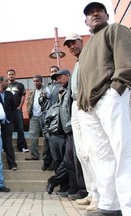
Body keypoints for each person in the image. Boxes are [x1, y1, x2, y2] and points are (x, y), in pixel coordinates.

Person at [78, 2, 131, 215]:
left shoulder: (115, 29)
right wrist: (82, 104)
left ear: (106, 14)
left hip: (108, 96)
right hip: (89, 107)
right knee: (101, 156)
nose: (94, 14)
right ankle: (110, 204)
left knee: (123, 151)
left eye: (98, 11)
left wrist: (117, 88)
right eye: (89, 13)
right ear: (85, 21)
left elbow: (126, 60)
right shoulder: (86, 47)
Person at [63, 33, 99, 211]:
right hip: (75, 107)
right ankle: (91, 192)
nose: (72, 47)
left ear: (81, 41)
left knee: (92, 150)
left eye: (74, 43)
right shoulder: (77, 64)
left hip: (86, 104)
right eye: (69, 45)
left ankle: (99, 195)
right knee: (82, 152)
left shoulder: (89, 57)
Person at [47, 69, 87, 200]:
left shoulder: (71, 90)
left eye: (60, 78)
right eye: (56, 79)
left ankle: (82, 189)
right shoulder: (64, 93)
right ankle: (74, 187)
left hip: (73, 129)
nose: (58, 81)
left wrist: (71, 125)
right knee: (70, 161)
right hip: (67, 131)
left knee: (76, 161)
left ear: (68, 76)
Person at [26, 75, 50, 160]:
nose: (35, 83)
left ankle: (46, 156)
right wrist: (29, 113)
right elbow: (29, 103)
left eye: (37, 81)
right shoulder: (32, 92)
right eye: (34, 81)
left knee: (46, 136)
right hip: (34, 116)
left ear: (41, 81)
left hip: (44, 116)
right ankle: (34, 155)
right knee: (33, 136)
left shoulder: (46, 90)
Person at [7, 69, 29, 153]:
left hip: (17, 110)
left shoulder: (20, 85)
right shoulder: (6, 85)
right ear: (7, 76)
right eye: (9, 74)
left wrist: (20, 106)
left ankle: (22, 147)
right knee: (8, 129)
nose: (11, 75)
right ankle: (6, 147)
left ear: (15, 75)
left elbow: (23, 96)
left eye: (12, 74)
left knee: (20, 128)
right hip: (8, 111)